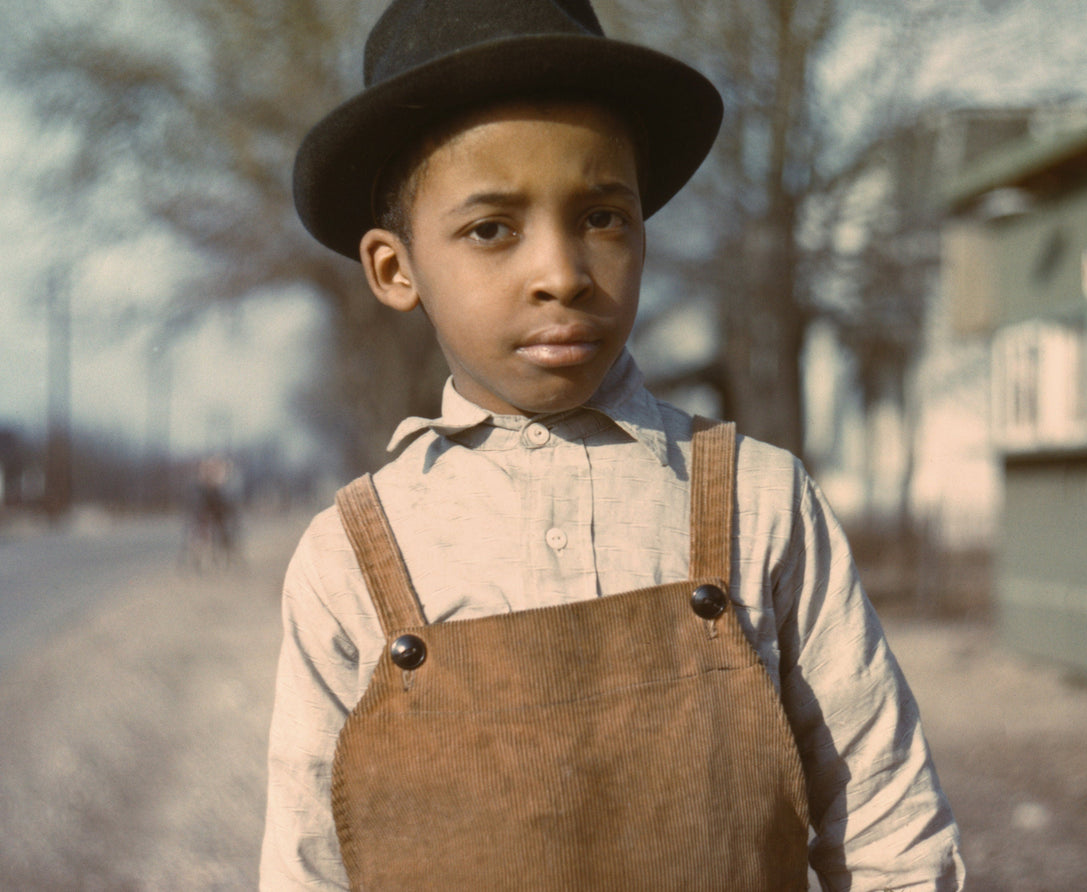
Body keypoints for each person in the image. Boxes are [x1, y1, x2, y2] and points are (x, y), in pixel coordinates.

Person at [261, 1, 965, 889]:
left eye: (601, 217)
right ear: (397, 270)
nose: (561, 273)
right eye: (492, 229)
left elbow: (889, 827)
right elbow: (307, 863)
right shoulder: (351, 560)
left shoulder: (760, 502)